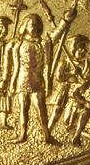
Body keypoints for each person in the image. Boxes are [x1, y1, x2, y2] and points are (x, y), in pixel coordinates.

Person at [10, 8, 76, 144]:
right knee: (23, 108)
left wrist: (65, 20)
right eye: (31, 25)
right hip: (22, 80)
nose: (34, 27)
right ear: (24, 26)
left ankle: (47, 135)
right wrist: (12, 83)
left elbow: (47, 64)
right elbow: (16, 67)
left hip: (37, 80)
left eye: (36, 25)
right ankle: (22, 134)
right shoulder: (18, 44)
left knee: (41, 108)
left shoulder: (44, 43)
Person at [48, 33, 90, 132]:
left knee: (73, 115)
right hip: (65, 90)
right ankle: (48, 131)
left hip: (78, 93)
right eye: (81, 48)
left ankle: (75, 129)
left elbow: (89, 79)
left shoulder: (87, 65)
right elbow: (59, 77)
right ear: (74, 48)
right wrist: (72, 73)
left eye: (85, 48)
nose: (83, 51)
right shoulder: (66, 62)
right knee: (57, 111)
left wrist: (84, 82)